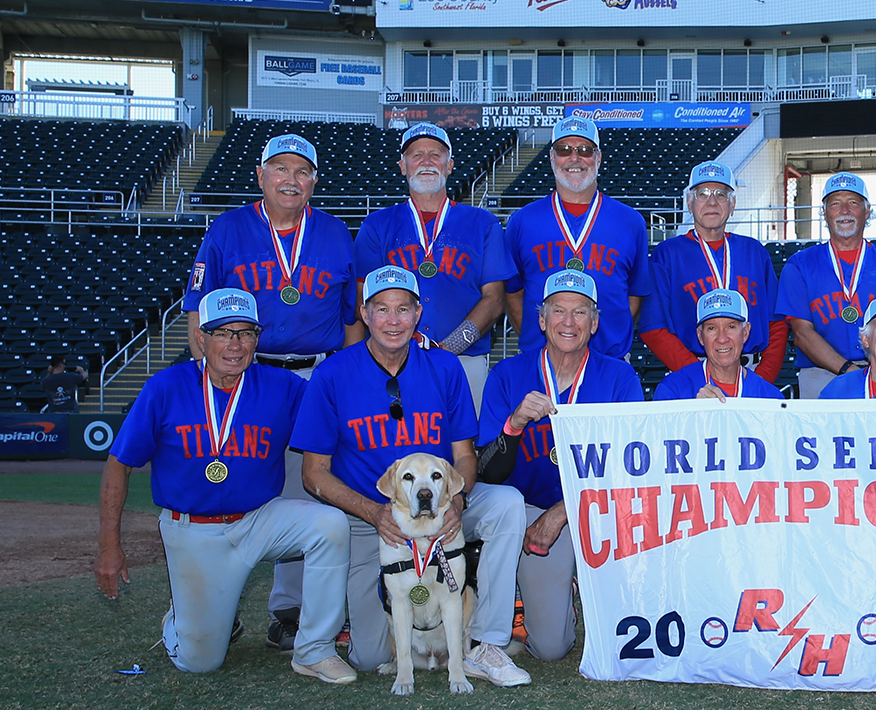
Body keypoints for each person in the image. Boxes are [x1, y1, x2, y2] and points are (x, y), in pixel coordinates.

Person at [290, 266, 531, 687]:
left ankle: (488, 641)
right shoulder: (332, 374)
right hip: (370, 519)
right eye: (382, 309)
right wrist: (373, 512)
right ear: (365, 314)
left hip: (440, 508)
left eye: (403, 309)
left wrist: (457, 501)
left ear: (419, 314)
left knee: (507, 504)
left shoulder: (444, 367)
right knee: (369, 655)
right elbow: (314, 474)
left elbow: (463, 455)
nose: (393, 320)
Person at [95, 289, 350, 676]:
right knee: (200, 663)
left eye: (246, 333)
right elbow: (119, 465)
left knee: (330, 525)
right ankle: (185, 615)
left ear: (257, 339)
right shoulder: (165, 387)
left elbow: (339, 416)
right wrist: (109, 546)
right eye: (222, 333)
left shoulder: (283, 387)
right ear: (201, 338)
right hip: (192, 530)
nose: (235, 344)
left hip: (259, 519)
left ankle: (314, 648)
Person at [185, 132, 362, 649]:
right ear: (260, 175)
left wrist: (347, 379)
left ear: (313, 181)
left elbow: (349, 318)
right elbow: (199, 307)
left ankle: (295, 610)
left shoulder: (332, 232)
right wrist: (210, 377)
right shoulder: (229, 228)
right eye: (280, 169)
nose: (291, 179)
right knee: (230, 486)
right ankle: (212, 602)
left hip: (316, 374)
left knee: (306, 489)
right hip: (246, 372)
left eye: (302, 171)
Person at [478, 268, 644, 663]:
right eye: (558, 311)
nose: (568, 322)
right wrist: (514, 424)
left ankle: (586, 582)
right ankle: (559, 589)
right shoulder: (507, 375)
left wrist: (562, 513)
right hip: (530, 512)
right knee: (552, 649)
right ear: (541, 319)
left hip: (596, 509)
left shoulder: (620, 377)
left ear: (595, 322)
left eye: (580, 312)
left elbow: (630, 470)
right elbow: (488, 472)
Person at [354, 122, 517, 411]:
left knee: (467, 452)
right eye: (416, 155)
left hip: (464, 361)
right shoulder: (377, 225)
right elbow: (362, 299)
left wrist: (448, 349)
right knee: (396, 452)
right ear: (402, 166)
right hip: (392, 361)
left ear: (450, 164)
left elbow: (495, 299)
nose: (426, 162)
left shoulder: (483, 223)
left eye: (436, 154)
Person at [503, 116, 655, 364]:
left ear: (598, 158)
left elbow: (634, 293)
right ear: (552, 158)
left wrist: (612, 338)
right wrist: (539, 339)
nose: (574, 158)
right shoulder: (522, 221)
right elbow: (512, 292)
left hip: (609, 360)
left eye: (585, 150)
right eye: (564, 150)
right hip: (538, 361)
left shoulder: (631, 221)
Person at [776, 173, 876, 398]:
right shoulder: (799, 265)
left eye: (853, 203)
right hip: (820, 376)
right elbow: (802, 333)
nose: (844, 211)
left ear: (867, 211)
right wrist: (848, 370)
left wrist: (873, 374)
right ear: (825, 213)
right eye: (835, 203)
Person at [642, 160, 787, 387]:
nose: (711, 201)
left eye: (721, 194)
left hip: (751, 373)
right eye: (702, 194)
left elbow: (776, 324)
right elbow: (654, 328)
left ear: (732, 204)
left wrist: (762, 380)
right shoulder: (667, 254)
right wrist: (699, 378)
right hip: (692, 375)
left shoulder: (755, 252)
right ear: (689, 202)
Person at [652, 288, 786, 401]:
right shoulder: (673, 390)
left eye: (731, 327)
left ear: (745, 332)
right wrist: (692, 412)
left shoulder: (770, 398)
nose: (722, 339)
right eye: (712, 328)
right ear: (700, 336)